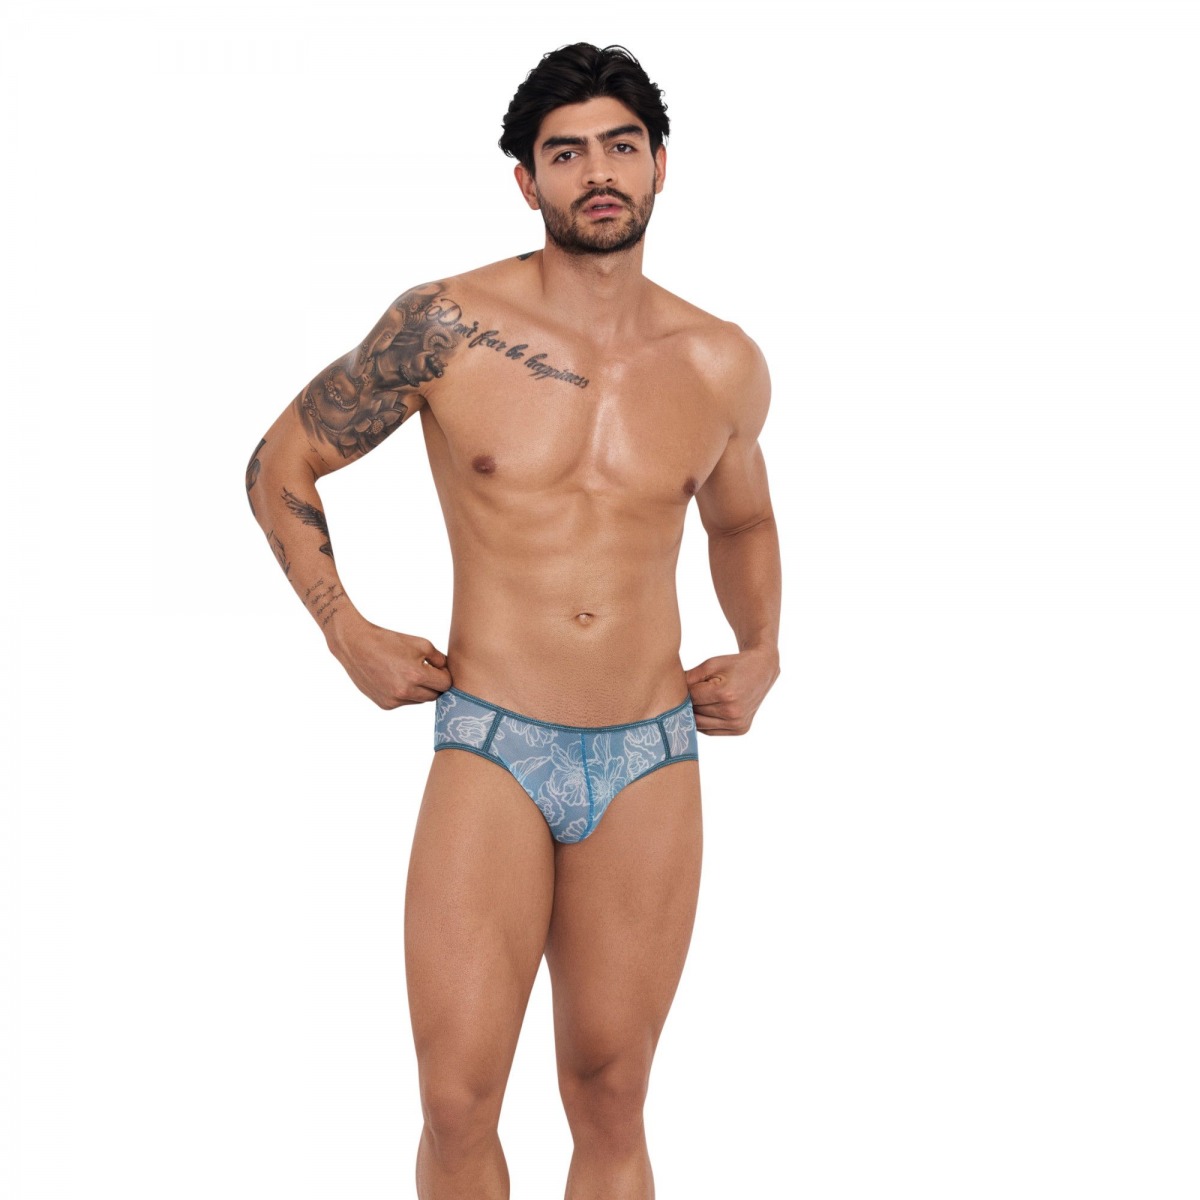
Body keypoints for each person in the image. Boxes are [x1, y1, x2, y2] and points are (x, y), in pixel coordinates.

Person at [246, 42, 781, 1200]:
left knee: (612, 1096)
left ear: (661, 164)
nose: (599, 172)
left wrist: (762, 649)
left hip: (650, 755)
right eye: (566, 153)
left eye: (621, 146)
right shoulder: (445, 325)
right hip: (492, 740)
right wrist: (345, 628)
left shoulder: (720, 361)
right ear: (527, 180)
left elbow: (741, 523)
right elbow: (281, 460)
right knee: (456, 1103)